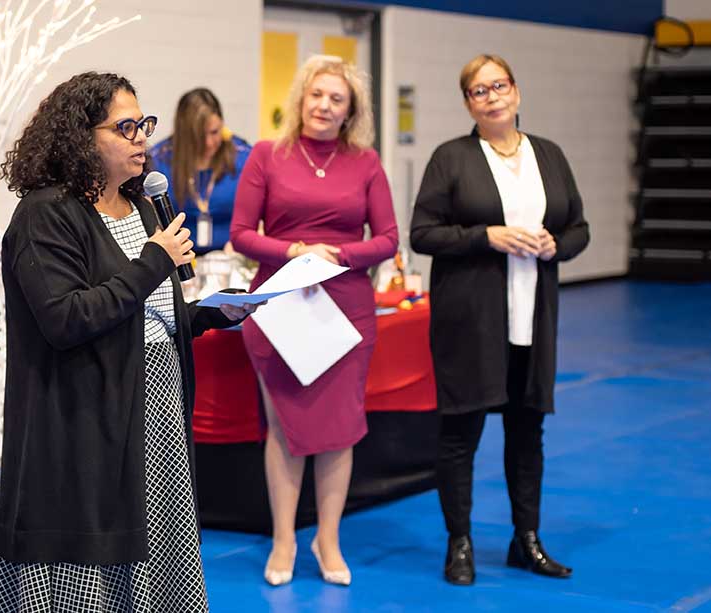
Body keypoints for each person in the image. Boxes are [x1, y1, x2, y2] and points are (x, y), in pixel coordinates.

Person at [0, 72, 256, 613]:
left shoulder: (142, 206)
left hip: (156, 420)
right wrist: (154, 260)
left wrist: (208, 314)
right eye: (125, 127)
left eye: (143, 124)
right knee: (93, 575)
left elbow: (144, 313)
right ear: (80, 138)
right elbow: (67, 318)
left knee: (156, 563)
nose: (141, 138)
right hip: (85, 425)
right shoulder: (47, 213)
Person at [409, 54, 589, 586]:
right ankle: (459, 543)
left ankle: (526, 539)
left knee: (527, 431)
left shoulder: (548, 154)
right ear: (468, 103)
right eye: (479, 90)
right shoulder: (451, 158)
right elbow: (422, 234)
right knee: (460, 432)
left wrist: (556, 245)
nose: (491, 97)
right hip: (471, 321)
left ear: (516, 91)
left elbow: (579, 228)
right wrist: (485, 236)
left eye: (499, 86)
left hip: (533, 318)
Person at [230, 54, 398, 587]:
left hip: (346, 312)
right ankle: (284, 538)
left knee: (340, 432)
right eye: (317, 94)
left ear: (350, 112)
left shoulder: (366, 162)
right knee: (283, 427)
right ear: (301, 98)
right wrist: (296, 250)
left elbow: (389, 239)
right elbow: (241, 234)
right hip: (280, 306)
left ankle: (328, 538)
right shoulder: (266, 155)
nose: (324, 105)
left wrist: (339, 255)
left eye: (336, 99)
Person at [149, 87, 251, 254]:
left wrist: (244, 241)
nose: (209, 143)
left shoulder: (243, 157)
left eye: (214, 132)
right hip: (178, 258)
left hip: (231, 256)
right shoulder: (159, 161)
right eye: (198, 136)